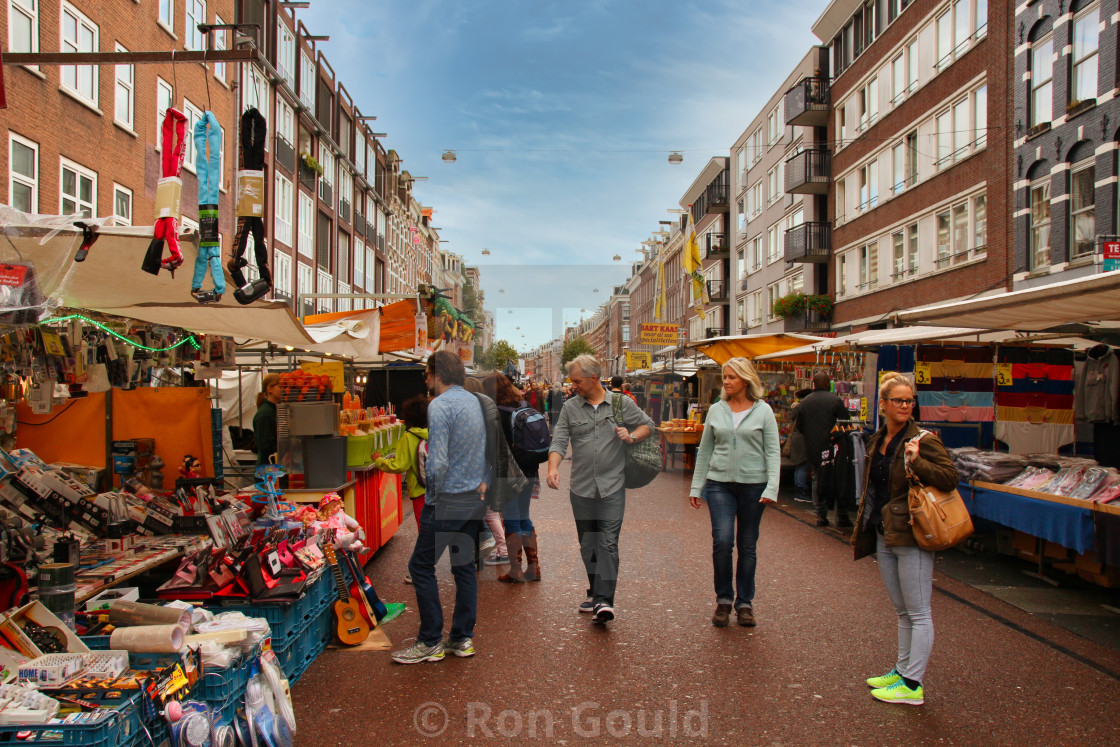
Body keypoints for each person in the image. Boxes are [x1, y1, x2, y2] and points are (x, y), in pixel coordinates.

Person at [851, 372, 958, 706]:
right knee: (902, 611)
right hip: (886, 533)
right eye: (898, 400)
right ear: (883, 404)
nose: (905, 406)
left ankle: (913, 685)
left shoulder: (924, 440)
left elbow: (950, 478)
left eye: (909, 400)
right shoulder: (877, 439)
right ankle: (901, 670)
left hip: (914, 533)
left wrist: (918, 462)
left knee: (920, 611)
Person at [392, 351, 488, 665]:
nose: (425, 380)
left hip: (445, 500)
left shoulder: (440, 406)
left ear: (437, 373)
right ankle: (461, 638)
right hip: (472, 499)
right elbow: (483, 447)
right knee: (463, 569)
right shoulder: (473, 401)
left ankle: (430, 639)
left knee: (420, 567)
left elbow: (438, 461)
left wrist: (431, 494)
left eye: (426, 373)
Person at [547, 354, 653, 624]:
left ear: (594, 378)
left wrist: (631, 436)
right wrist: (552, 468)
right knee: (588, 544)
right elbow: (559, 441)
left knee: (607, 542)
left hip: (612, 486)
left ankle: (604, 600)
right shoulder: (571, 407)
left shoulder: (620, 403)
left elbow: (647, 425)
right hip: (581, 488)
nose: (574, 386)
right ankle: (595, 591)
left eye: (577, 381)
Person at [688, 357, 779, 628]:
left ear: (746, 380)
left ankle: (745, 603)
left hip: (754, 485)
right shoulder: (716, 410)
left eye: (731, 377)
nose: (726, 381)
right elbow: (705, 450)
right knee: (723, 541)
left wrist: (772, 486)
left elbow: (773, 452)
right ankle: (724, 600)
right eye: (724, 377)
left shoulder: (764, 411)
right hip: (719, 484)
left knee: (747, 545)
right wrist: (697, 485)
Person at [484, 373, 543, 583]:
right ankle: (534, 568)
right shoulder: (524, 406)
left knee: (511, 519)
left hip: (508, 473)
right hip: (529, 470)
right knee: (524, 516)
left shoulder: (497, 414)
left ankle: (516, 570)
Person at [372, 394, 429, 584]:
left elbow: (400, 465)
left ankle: (421, 570)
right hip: (438, 488)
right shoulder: (435, 432)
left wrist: (379, 460)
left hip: (420, 490)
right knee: (431, 530)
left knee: (424, 532)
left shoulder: (409, 436)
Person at [463, 377, 509, 566]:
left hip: (481, 474)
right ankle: (499, 547)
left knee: (489, 513)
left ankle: (500, 547)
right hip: (488, 473)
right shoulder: (486, 413)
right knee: (490, 513)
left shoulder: (474, 417)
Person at [795, 372, 850, 527]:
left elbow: (799, 426)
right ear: (827, 383)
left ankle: (821, 514)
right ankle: (841, 515)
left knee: (817, 479)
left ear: (813, 383)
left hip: (813, 446)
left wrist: (811, 435)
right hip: (834, 447)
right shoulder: (835, 400)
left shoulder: (805, 402)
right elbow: (845, 423)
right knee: (839, 478)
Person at [252, 374, 282, 466]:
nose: (284, 390)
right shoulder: (265, 414)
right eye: (280, 386)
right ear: (269, 389)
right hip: (268, 467)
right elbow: (265, 445)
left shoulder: (275, 410)